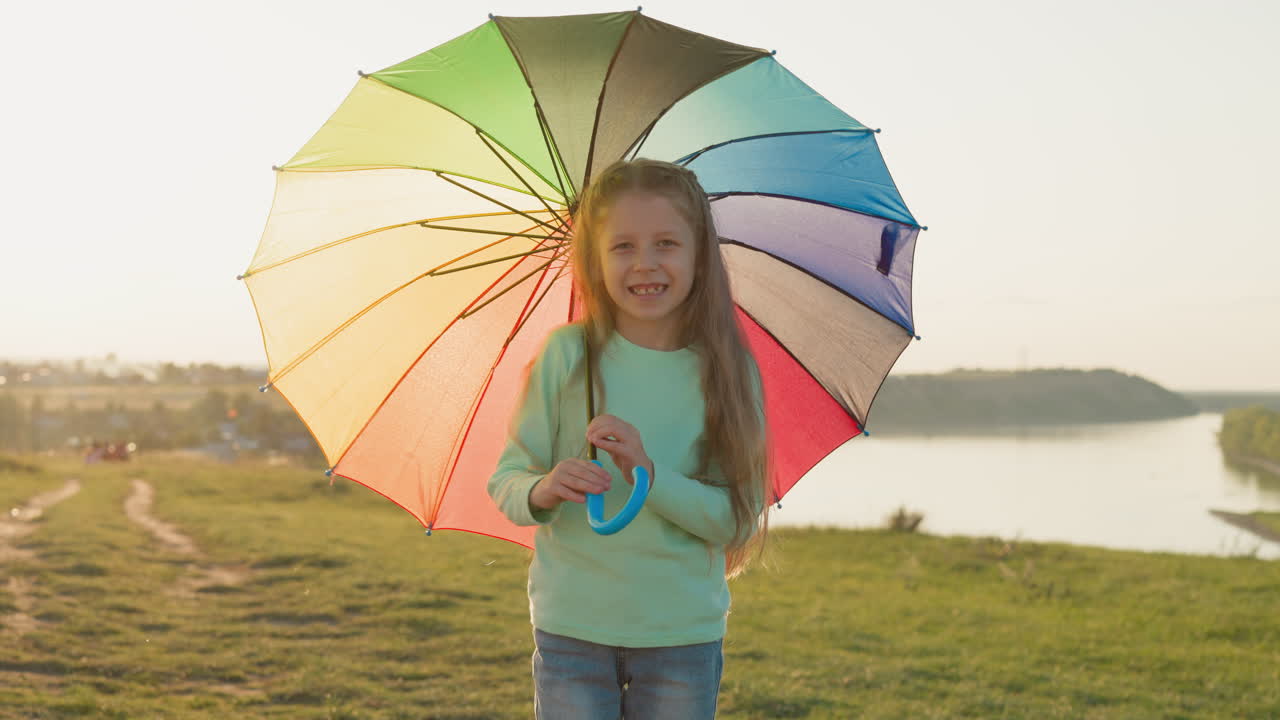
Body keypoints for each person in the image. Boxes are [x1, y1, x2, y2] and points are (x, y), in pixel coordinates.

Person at [487, 158, 770, 719]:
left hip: (680, 637)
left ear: (699, 255)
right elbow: (507, 480)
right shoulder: (566, 355)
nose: (645, 263)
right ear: (594, 259)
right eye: (622, 246)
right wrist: (545, 487)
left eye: (666, 243)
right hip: (572, 629)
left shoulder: (726, 371)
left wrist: (649, 474)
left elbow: (737, 519)